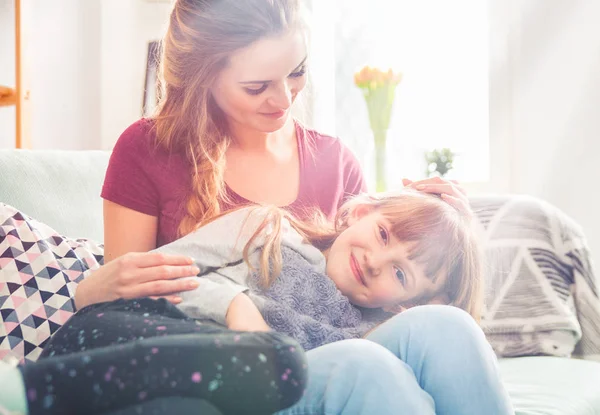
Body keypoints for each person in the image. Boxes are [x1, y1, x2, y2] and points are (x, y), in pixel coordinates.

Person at [57, 0, 511, 413]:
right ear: (204, 77)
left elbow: (365, 299)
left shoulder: (335, 163)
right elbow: (130, 309)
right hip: (231, 372)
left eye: (297, 72)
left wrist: (453, 239)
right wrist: (231, 306)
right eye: (257, 87)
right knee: (366, 366)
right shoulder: (149, 150)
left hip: (332, 357)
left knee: (449, 329)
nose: (285, 99)